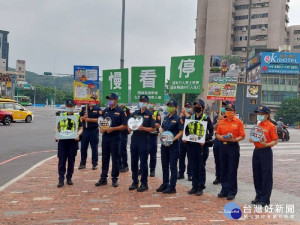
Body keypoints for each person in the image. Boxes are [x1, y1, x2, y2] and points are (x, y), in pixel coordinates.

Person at [95, 93, 127, 188]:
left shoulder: (120, 111)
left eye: (111, 99)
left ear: (116, 100)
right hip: (106, 138)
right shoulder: (105, 111)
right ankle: (103, 178)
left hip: (115, 138)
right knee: (105, 158)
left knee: (115, 159)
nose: (110, 101)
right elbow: (102, 123)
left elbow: (124, 126)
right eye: (109, 99)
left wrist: (113, 129)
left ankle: (114, 178)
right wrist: (102, 129)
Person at [216, 103, 245, 200]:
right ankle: (224, 189)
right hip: (222, 146)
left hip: (233, 146)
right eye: (227, 110)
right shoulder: (222, 121)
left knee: (232, 169)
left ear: (234, 112)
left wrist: (235, 139)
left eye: (230, 110)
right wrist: (220, 137)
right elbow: (217, 134)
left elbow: (242, 135)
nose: (228, 112)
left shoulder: (238, 122)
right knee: (223, 168)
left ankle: (232, 191)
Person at [250, 105, 278, 207]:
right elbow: (253, 136)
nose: (259, 116)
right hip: (256, 151)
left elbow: (275, 140)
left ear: (267, 115)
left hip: (265, 151)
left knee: (266, 175)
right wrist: (252, 139)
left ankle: (265, 199)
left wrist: (266, 144)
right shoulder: (258, 126)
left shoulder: (271, 126)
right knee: (257, 175)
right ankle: (258, 196)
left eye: (261, 114)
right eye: (258, 114)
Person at [184, 99, 213, 196]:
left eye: (198, 105)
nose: (196, 107)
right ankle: (194, 186)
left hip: (201, 147)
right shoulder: (191, 117)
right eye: (195, 105)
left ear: (202, 107)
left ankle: (200, 187)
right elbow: (187, 131)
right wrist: (185, 138)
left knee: (201, 167)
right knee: (193, 166)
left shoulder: (206, 118)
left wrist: (204, 139)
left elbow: (211, 133)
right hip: (191, 146)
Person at [128, 95, 156, 192]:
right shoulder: (135, 113)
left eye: (144, 101)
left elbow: (153, 128)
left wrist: (144, 128)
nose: (142, 103)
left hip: (144, 139)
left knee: (143, 162)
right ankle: (135, 181)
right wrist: (130, 128)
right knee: (133, 162)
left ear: (147, 103)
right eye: (141, 101)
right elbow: (129, 126)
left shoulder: (150, 114)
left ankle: (144, 183)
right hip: (135, 139)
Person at [156, 100, 183, 194]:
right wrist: (160, 132)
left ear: (175, 108)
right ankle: (165, 184)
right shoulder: (166, 117)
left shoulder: (178, 118)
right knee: (164, 165)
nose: (169, 107)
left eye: (171, 106)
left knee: (173, 166)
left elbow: (181, 132)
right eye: (168, 106)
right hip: (164, 145)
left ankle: (172, 187)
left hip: (173, 145)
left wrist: (173, 140)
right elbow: (163, 128)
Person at [56, 99, 83, 188]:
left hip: (73, 141)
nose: (69, 108)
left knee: (71, 161)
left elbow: (81, 128)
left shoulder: (77, 117)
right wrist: (56, 135)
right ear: (66, 106)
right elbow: (58, 127)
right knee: (62, 160)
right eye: (68, 106)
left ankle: (69, 178)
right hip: (63, 141)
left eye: (71, 106)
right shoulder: (61, 115)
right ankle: (61, 179)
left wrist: (78, 135)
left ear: (74, 107)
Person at [78, 96, 101, 170]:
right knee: (83, 147)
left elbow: (100, 120)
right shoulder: (84, 109)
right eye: (90, 100)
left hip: (94, 130)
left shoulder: (98, 109)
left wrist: (89, 119)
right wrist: (84, 118)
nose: (92, 101)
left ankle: (94, 163)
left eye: (93, 100)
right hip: (85, 131)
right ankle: (82, 163)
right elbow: (80, 119)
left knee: (94, 148)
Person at [212, 101, 229, 185]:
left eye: (224, 106)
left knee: (225, 161)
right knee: (217, 160)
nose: (222, 108)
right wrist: (218, 122)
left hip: (226, 141)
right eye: (221, 106)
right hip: (217, 141)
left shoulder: (229, 118)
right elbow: (213, 128)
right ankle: (218, 176)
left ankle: (224, 177)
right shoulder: (217, 117)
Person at [178, 101, 193, 181]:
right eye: (186, 107)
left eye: (189, 107)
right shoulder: (182, 116)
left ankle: (190, 174)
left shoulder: (193, 116)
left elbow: (192, 121)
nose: (187, 108)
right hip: (182, 139)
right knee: (181, 157)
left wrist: (185, 114)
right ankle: (181, 173)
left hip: (190, 140)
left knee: (190, 158)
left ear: (192, 108)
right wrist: (180, 116)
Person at [147, 101, 161, 177]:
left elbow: (158, 125)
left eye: (151, 103)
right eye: (148, 103)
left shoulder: (156, 113)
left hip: (153, 136)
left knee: (153, 154)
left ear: (154, 104)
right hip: (145, 136)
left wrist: (148, 124)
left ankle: (152, 169)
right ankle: (142, 169)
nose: (149, 105)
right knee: (143, 154)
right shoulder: (144, 112)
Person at [119, 103, 131, 172]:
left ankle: (125, 165)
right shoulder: (116, 109)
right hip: (116, 132)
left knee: (122, 149)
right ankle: (119, 165)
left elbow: (129, 121)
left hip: (123, 132)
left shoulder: (127, 110)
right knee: (116, 150)